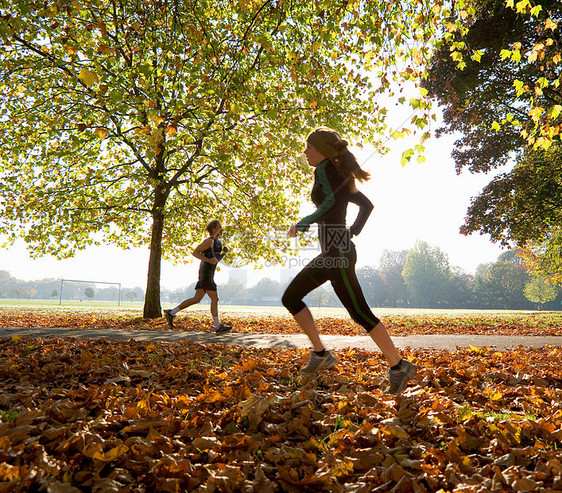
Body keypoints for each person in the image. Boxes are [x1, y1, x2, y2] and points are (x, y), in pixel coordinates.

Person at [282, 127, 416, 395]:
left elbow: (331, 203)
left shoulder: (324, 170)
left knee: (356, 312)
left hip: (337, 255)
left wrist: (305, 223)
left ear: (321, 149)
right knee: (350, 311)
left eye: (309, 146)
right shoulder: (338, 173)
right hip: (338, 252)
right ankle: (392, 366)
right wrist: (351, 232)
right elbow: (366, 205)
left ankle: (395, 366)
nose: (305, 151)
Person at [163, 220, 232, 334]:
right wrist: (208, 260)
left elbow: (215, 261)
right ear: (214, 229)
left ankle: (171, 313)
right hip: (205, 273)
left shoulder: (218, 243)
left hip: (209, 273)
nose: (221, 229)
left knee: (197, 299)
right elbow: (195, 253)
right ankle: (218, 326)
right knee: (215, 298)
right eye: (219, 227)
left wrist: (223, 254)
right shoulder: (209, 241)